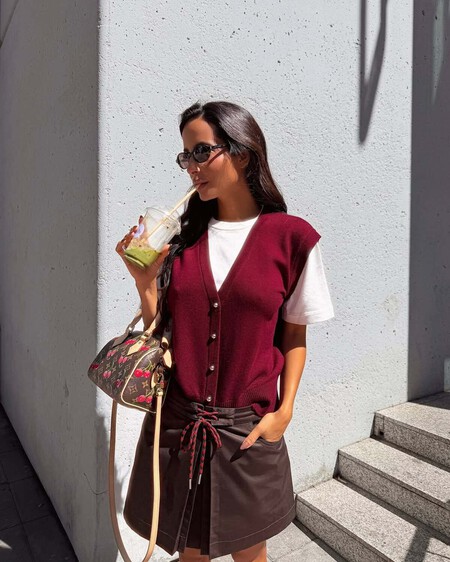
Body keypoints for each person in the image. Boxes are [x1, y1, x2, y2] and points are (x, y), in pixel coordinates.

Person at [116, 101, 334, 562]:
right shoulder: (183, 242)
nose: (191, 167)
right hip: (178, 428)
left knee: (250, 554)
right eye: (185, 156)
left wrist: (285, 411)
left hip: (246, 433)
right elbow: (161, 335)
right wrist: (145, 283)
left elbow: (294, 337)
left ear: (243, 153)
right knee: (189, 553)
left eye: (202, 151)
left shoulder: (292, 239)